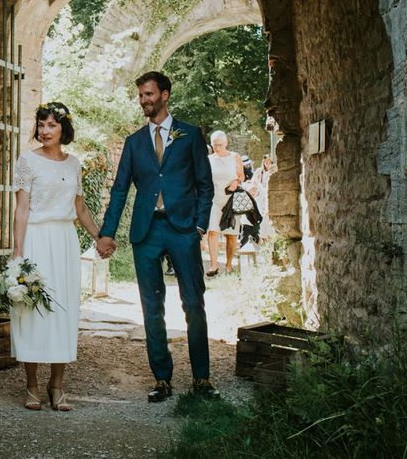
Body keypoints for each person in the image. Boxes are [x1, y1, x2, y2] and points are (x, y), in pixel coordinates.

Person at [97, 71, 218, 402]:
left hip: (182, 229)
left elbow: (205, 185)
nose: (144, 101)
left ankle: (202, 378)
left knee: (193, 303)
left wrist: (199, 226)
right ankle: (162, 379)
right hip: (147, 231)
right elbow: (120, 190)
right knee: (152, 306)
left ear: (164, 95)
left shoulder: (190, 135)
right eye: (140, 96)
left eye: (149, 94)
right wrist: (107, 233)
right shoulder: (135, 142)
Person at [11, 101, 100, 412]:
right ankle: (33, 384)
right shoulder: (27, 162)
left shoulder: (74, 164)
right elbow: (21, 209)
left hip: (64, 242)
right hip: (36, 238)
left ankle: (57, 385)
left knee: (63, 310)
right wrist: (18, 251)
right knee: (32, 309)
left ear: (64, 129)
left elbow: (80, 209)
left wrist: (99, 237)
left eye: (51, 125)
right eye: (41, 124)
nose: (44, 130)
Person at [206, 130, 244, 276]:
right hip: (214, 199)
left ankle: (228, 265)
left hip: (231, 200)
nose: (217, 147)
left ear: (226, 143)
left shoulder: (235, 157)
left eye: (220, 145)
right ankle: (214, 265)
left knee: (231, 235)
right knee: (212, 232)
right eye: (215, 145)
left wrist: (236, 181)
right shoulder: (209, 159)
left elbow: (241, 176)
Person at [247, 154, 276, 241]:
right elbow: (254, 183)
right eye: (266, 162)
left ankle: (269, 239)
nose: (267, 164)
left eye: (269, 162)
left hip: (267, 196)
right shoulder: (259, 171)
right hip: (260, 197)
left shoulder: (272, 171)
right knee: (261, 217)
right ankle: (262, 238)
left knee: (267, 218)